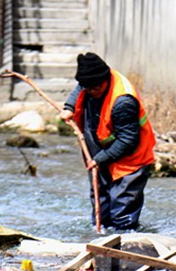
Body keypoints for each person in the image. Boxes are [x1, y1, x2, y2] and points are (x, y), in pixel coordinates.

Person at [60, 52, 156, 231]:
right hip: (101, 153)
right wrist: (69, 107)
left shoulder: (123, 102)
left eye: (95, 88)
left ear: (105, 80)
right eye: (88, 88)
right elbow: (80, 88)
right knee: (101, 213)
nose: (91, 92)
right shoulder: (90, 82)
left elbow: (128, 140)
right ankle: (100, 238)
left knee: (122, 215)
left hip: (130, 160)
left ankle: (127, 242)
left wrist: (99, 159)